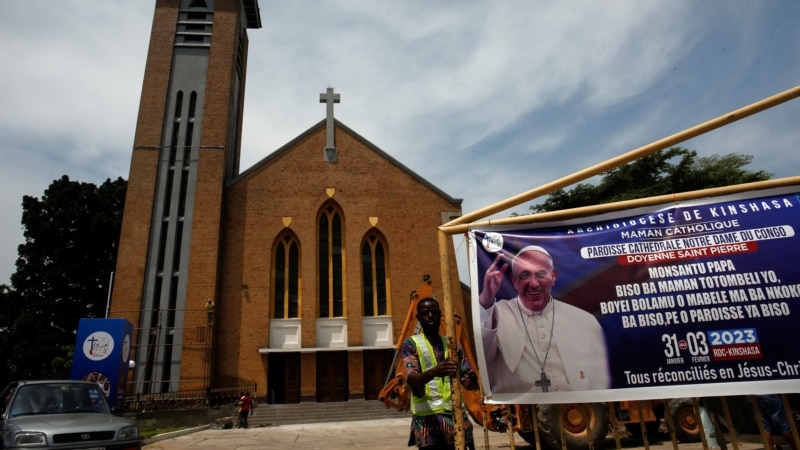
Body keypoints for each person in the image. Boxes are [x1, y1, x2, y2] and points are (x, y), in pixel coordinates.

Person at [478, 245, 610, 394]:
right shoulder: (496, 314)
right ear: (514, 281)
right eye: (525, 275)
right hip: (522, 411)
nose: (534, 283)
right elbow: (483, 357)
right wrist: (486, 300)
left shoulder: (584, 320)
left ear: (553, 276)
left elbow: (599, 380)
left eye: (540, 274)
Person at [401, 297, 479, 450]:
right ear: (418, 318)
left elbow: (467, 383)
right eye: (425, 313)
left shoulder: (451, 345)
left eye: (434, 312)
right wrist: (435, 371)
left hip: (456, 420)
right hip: (429, 426)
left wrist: (472, 379)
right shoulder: (411, 344)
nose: (430, 315)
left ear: (440, 314)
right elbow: (412, 379)